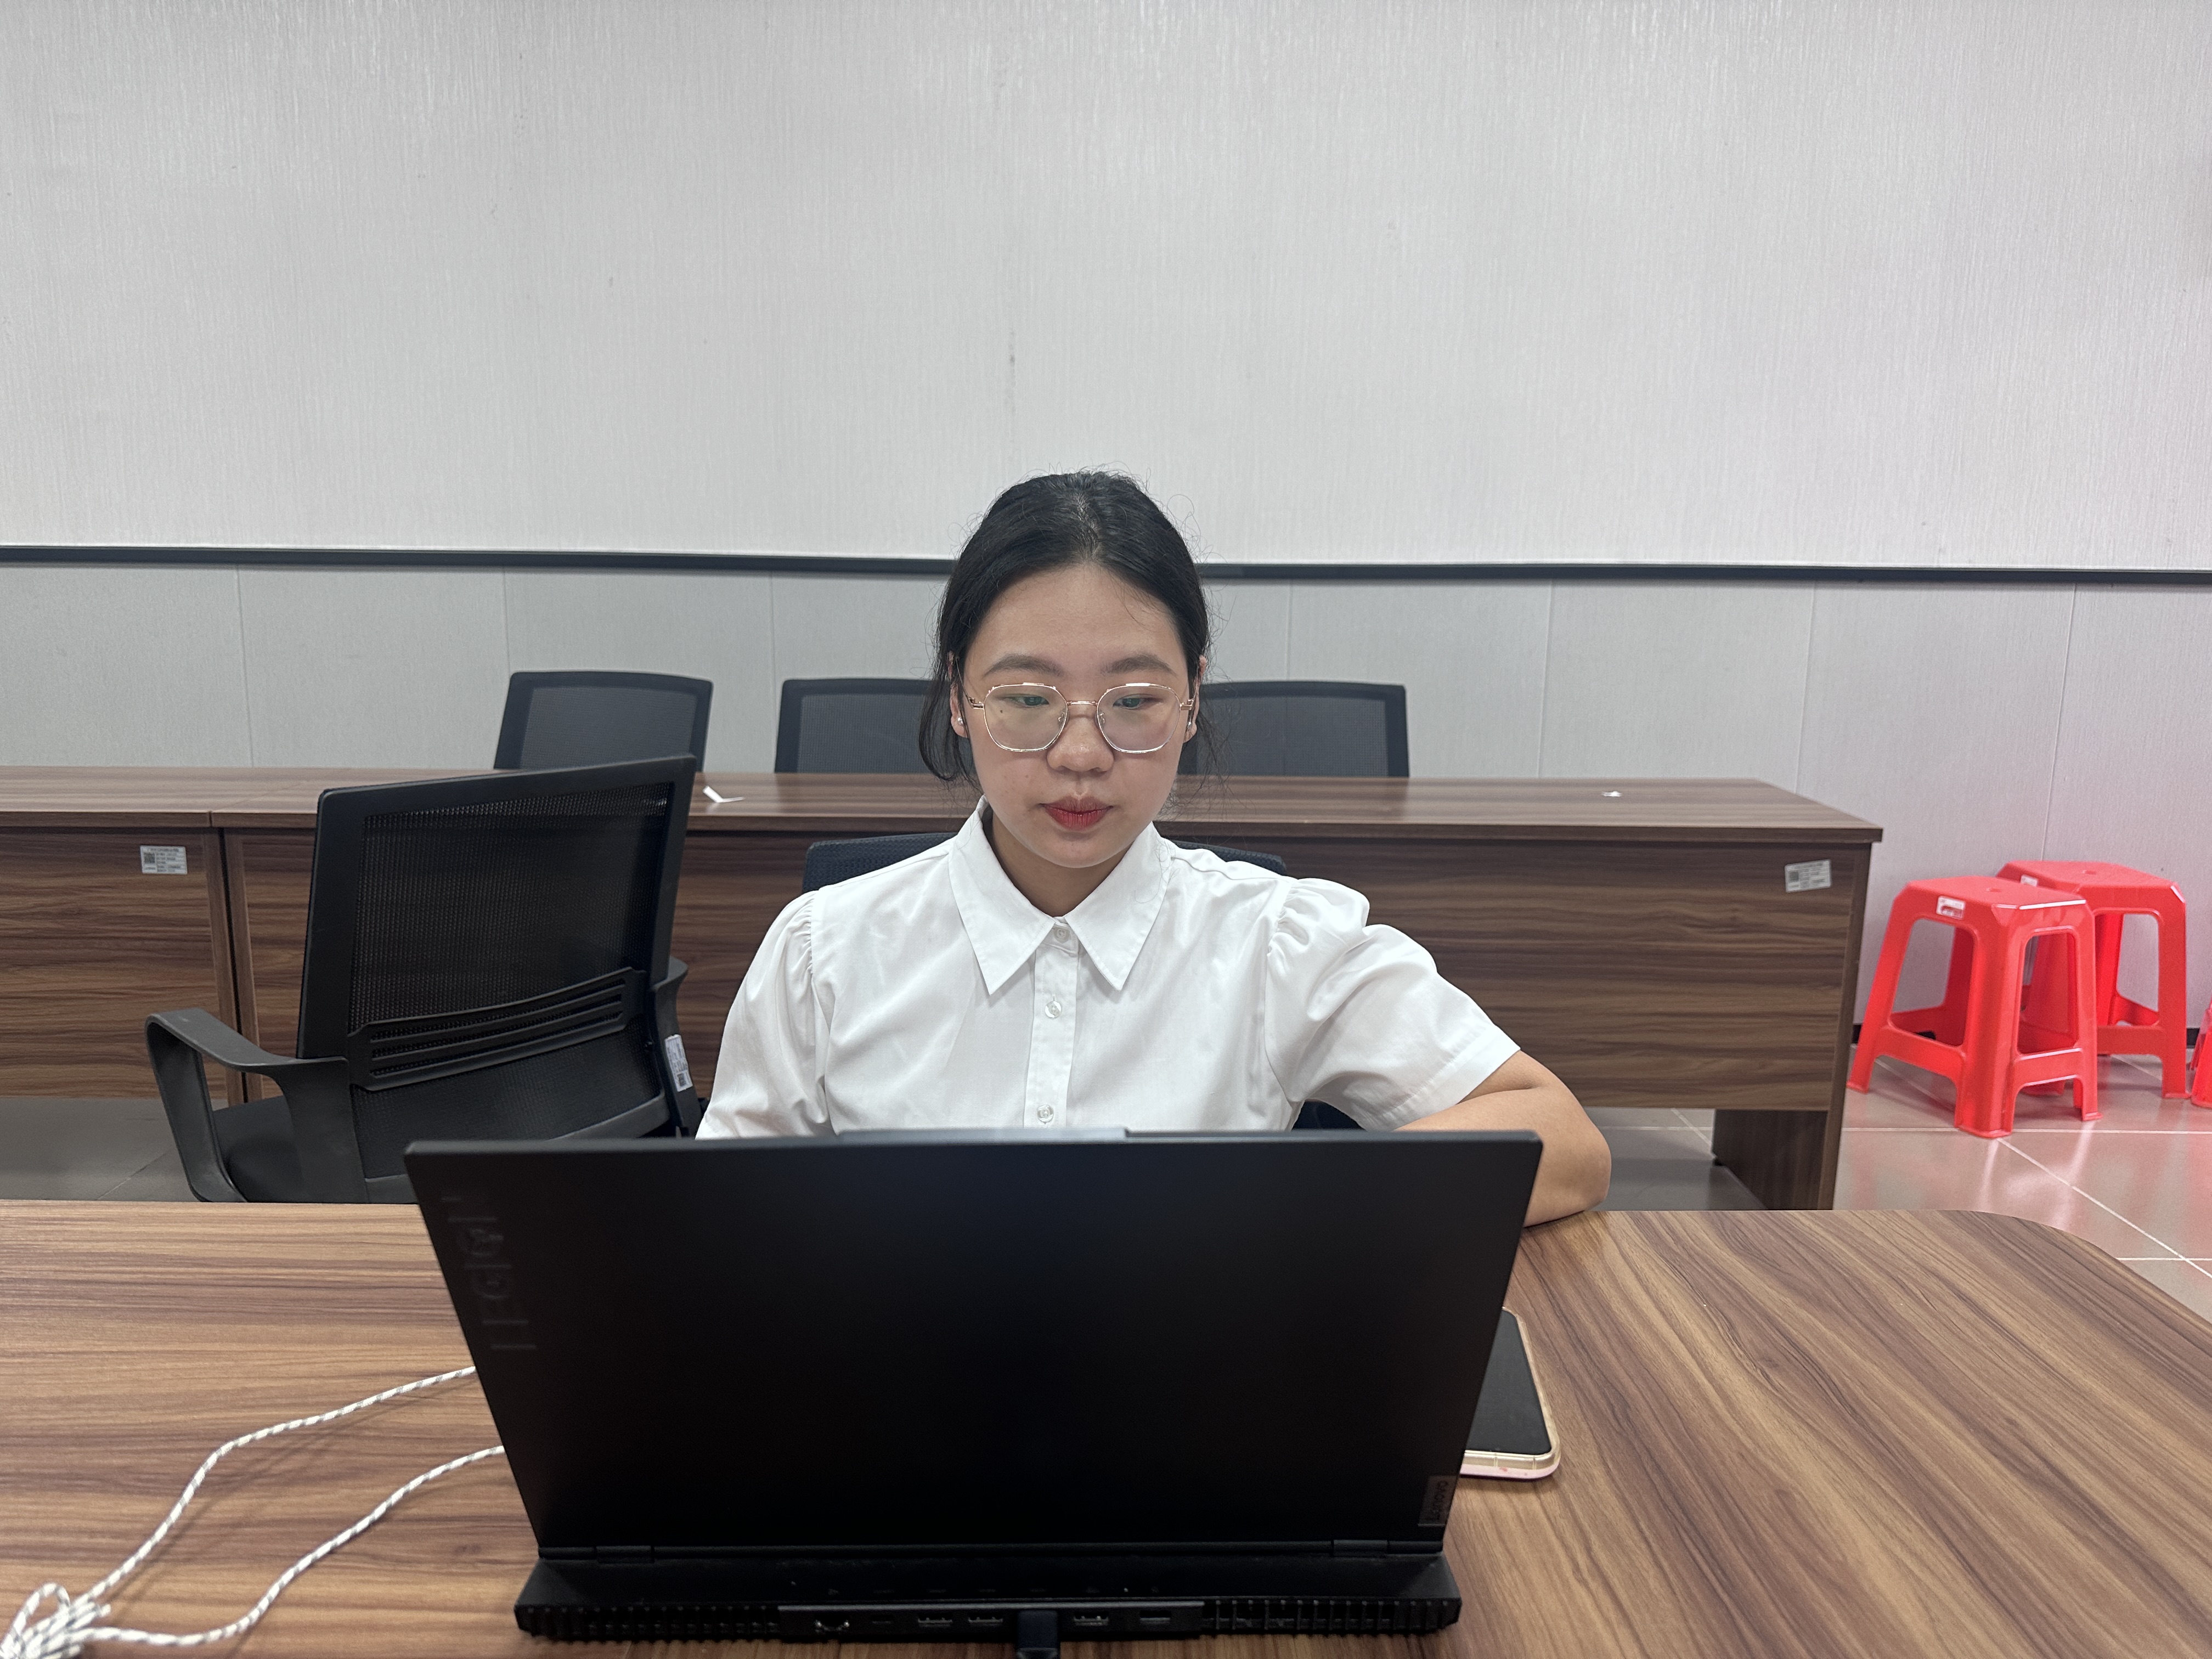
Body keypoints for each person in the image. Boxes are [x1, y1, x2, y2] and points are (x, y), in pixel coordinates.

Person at [699, 472, 1610, 1224]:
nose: (1081, 754)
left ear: (1193, 698)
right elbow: (714, 1222)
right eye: (1027, 699)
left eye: (1133, 701)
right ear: (959, 698)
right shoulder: (823, 952)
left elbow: (1563, 1140)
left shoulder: (1277, 943)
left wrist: (1283, 1210)